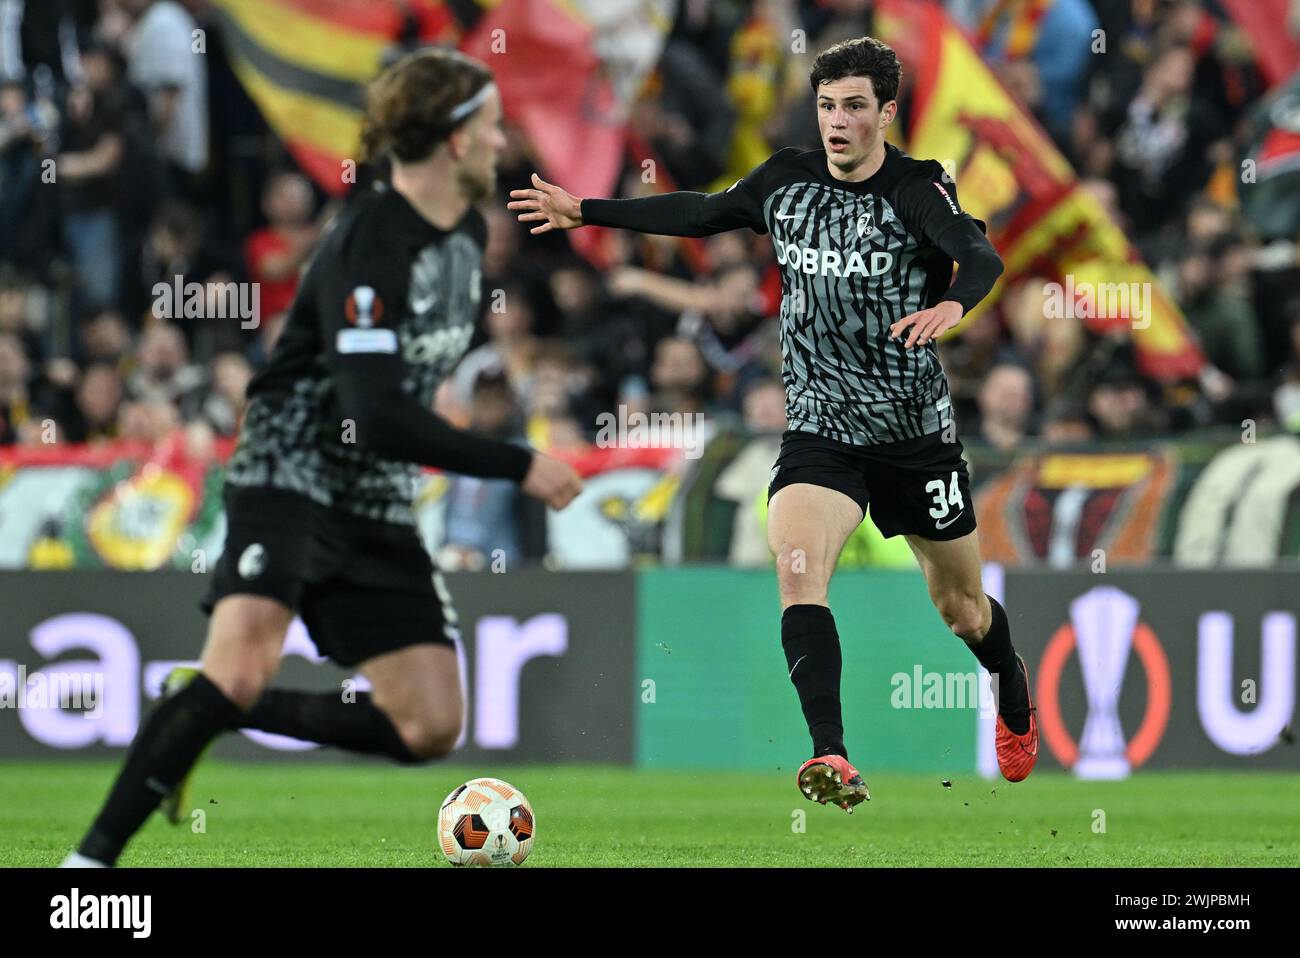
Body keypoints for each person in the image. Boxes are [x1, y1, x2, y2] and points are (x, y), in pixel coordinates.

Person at [61, 48, 582, 868]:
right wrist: (515, 463)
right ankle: (84, 875)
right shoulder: (371, 244)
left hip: (372, 491)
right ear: (450, 140)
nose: (501, 140)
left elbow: (394, 408)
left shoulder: (469, 234)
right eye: (487, 126)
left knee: (432, 725)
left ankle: (206, 710)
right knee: (235, 665)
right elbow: (373, 412)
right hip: (291, 469)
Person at [510, 36, 1036, 812]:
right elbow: (703, 212)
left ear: (887, 113)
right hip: (820, 432)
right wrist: (585, 209)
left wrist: (957, 301)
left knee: (960, 609)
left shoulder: (918, 188)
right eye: (828, 105)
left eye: (856, 106)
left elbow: (977, 254)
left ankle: (1011, 683)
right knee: (798, 573)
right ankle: (831, 752)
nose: (838, 120)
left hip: (914, 438)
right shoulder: (786, 178)